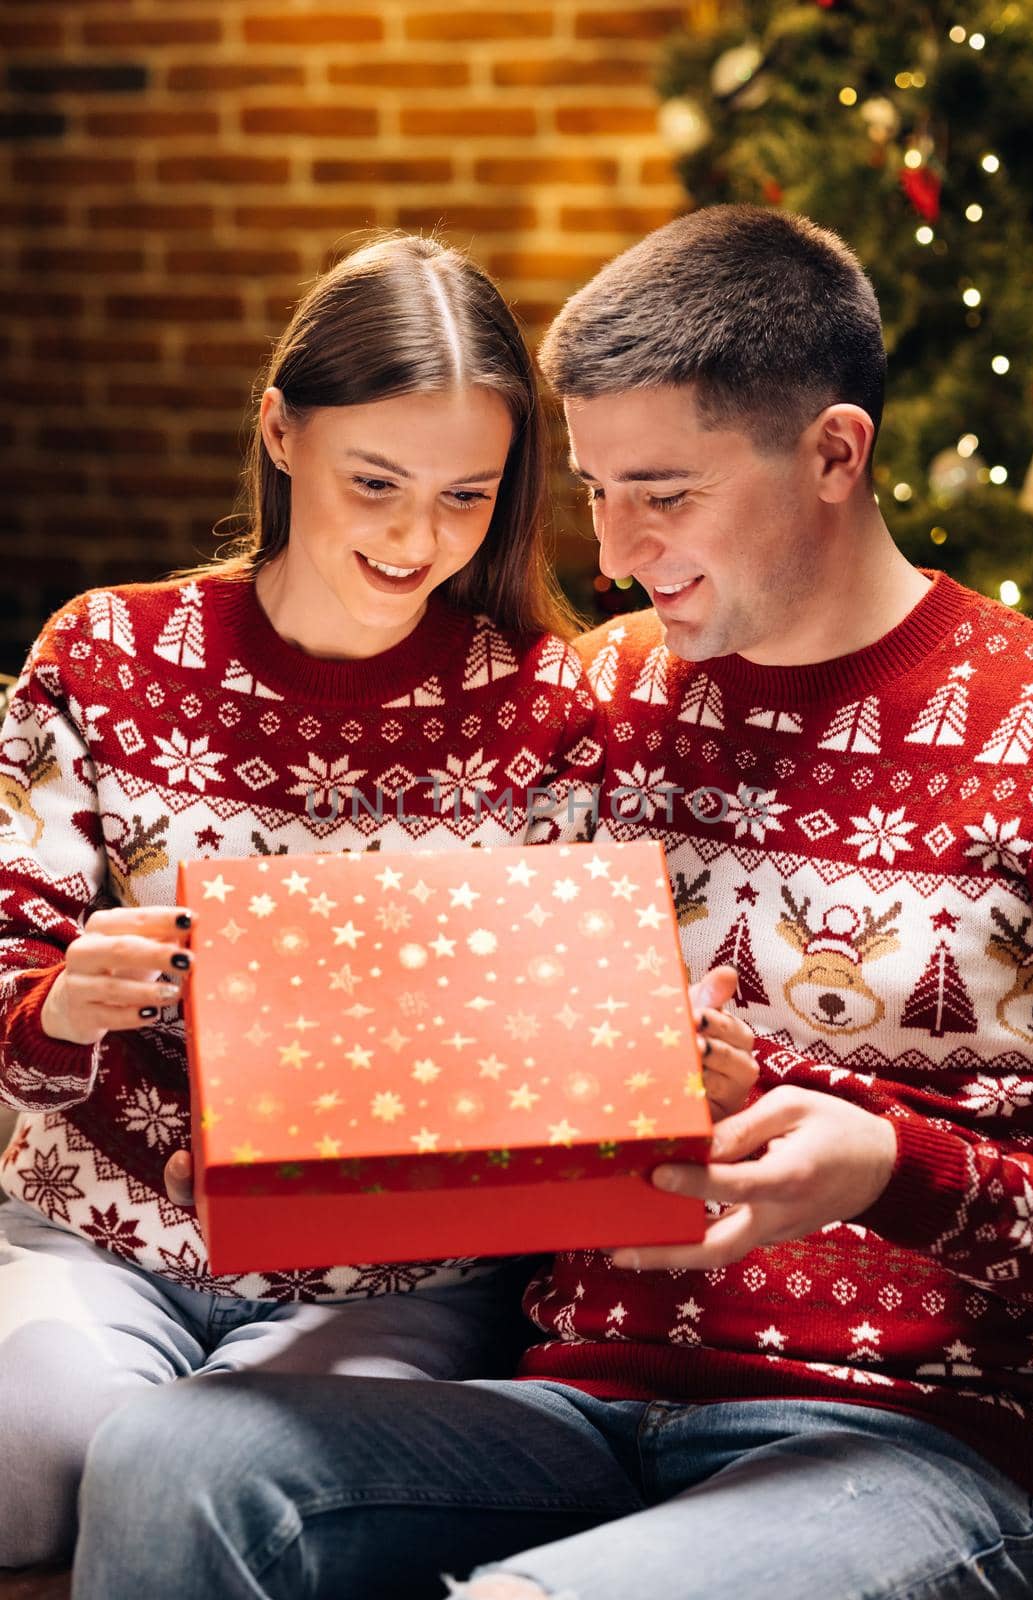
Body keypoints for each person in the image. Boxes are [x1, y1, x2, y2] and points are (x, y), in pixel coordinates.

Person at [73, 202, 1033, 1600]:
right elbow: (451, 1043)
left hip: (915, 1441)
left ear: (836, 452)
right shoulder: (590, 701)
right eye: (594, 490)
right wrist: (277, 1157)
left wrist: (889, 1168)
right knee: (171, 1460)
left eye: (662, 492)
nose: (610, 551)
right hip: (572, 1404)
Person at [0, 230, 758, 1570]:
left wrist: (649, 1068)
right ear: (281, 434)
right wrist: (60, 1008)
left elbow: (582, 1045)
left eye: (468, 497)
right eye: (377, 483)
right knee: (28, 1443)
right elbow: (10, 965)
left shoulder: (543, 707)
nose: (419, 538)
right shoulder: (105, 655)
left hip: (396, 1281)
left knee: (188, 1471)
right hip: (98, 1237)